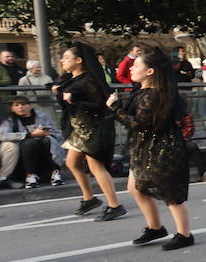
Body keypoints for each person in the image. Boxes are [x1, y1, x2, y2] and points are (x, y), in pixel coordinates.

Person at [106, 52, 195, 250]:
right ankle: (155, 227)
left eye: (136, 65)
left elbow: (138, 124)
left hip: (162, 149)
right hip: (144, 147)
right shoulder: (142, 91)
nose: (131, 68)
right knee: (135, 187)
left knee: (169, 191)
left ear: (150, 71)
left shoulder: (153, 94)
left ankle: (184, 234)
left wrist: (115, 108)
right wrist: (117, 107)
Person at [55, 43, 125, 219]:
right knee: (72, 162)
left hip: (94, 127)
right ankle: (89, 198)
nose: (62, 60)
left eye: (66, 57)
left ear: (79, 60)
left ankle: (114, 205)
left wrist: (73, 100)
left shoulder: (89, 79)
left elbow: (99, 105)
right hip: (79, 128)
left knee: (95, 166)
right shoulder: (70, 78)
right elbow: (60, 89)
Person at [0, 96, 64, 188]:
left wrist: (45, 133)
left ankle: (55, 173)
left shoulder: (42, 116)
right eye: (16, 105)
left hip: (43, 150)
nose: (20, 107)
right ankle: (30, 176)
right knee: (30, 142)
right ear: (12, 108)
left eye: (23, 104)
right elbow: (3, 136)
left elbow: (56, 133)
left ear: (30, 106)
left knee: (48, 140)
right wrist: (29, 134)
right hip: (23, 154)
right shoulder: (9, 120)